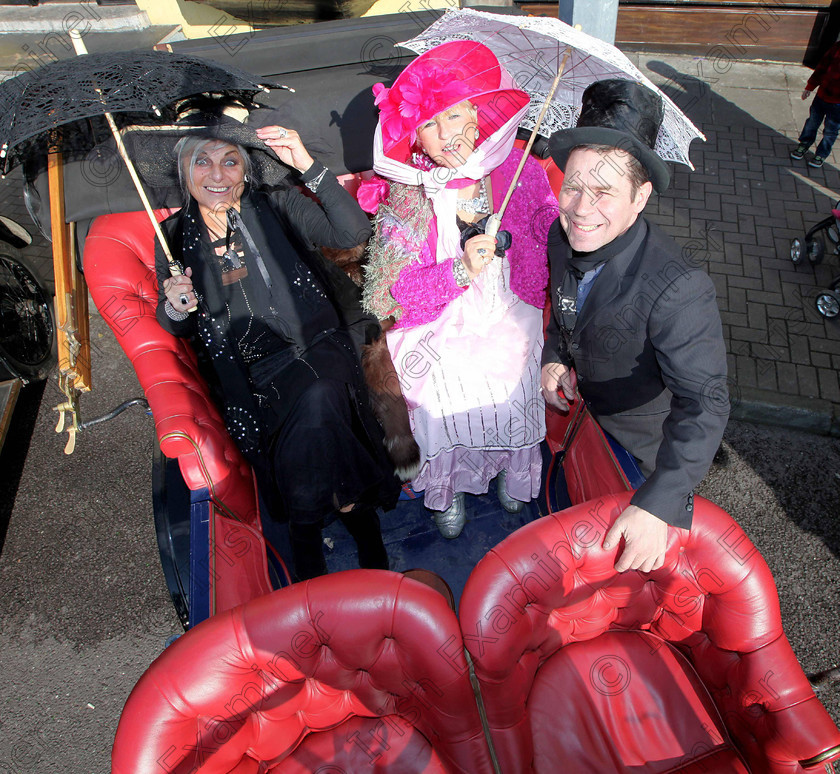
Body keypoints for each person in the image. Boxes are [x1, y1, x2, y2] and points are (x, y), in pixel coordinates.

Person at [147, 100, 399, 581]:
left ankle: (306, 536)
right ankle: (356, 516)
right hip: (252, 377)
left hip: (318, 347)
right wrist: (177, 303)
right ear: (184, 170)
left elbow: (355, 229)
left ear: (246, 168)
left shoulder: (278, 202)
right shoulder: (172, 238)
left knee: (322, 395)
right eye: (202, 160)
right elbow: (175, 325)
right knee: (316, 417)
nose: (216, 174)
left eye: (229, 160)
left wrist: (307, 165)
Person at [358, 41, 558, 538]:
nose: (448, 134)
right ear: (414, 138)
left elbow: (553, 232)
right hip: (436, 318)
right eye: (430, 123)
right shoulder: (407, 195)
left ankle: (515, 471)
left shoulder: (521, 168)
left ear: (476, 111)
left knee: (516, 370)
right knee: (440, 389)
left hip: (511, 308)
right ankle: (446, 489)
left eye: (455, 113)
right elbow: (392, 293)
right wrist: (459, 271)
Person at [542, 79, 729, 573]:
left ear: (641, 197)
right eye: (574, 185)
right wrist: (554, 358)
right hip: (582, 426)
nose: (580, 210)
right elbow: (563, 318)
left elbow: (706, 405)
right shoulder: (560, 240)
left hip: (639, 457)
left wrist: (657, 503)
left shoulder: (680, 289)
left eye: (603, 192)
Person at [791, 39, 840, 168]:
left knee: (830, 131)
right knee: (812, 122)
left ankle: (821, 154)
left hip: (838, 104)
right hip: (821, 96)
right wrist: (810, 86)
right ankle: (805, 143)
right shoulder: (836, 48)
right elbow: (822, 68)